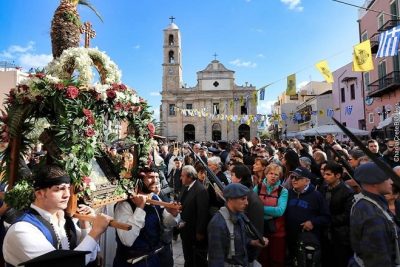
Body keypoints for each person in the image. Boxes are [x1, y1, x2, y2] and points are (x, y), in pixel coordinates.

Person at [3, 165, 111, 267]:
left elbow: (89, 256)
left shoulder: (62, 219)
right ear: (39, 193)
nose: (67, 194)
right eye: (59, 189)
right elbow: (66, 264)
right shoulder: (22, 230)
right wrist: (96, 232)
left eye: (68, 188)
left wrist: (85, 225)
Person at [113, 167, 180, 267]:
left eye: (157, 177)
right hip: (131, 262)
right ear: (138, 180)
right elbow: (127, 240)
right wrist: (140, 207)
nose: (155, 181)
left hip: (153, 260)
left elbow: (167, 224)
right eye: (150, 177)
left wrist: (173, 214)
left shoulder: (155, 197)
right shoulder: (124, 205)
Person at [349, 162, 400, 267]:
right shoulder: (372, 215)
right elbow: (378, 259)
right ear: (374, 183)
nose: (391, 182)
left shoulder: (370, 202)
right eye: (387, 178)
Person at [208, 183, 268, 267]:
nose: (247, 203)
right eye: (243, 199)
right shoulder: (218, 224)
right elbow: (216, 259)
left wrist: (253, 242)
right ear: (230, 199)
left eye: (246, 199)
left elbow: (238, 238)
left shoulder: (239, 215)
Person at [285, 166, 330, 266]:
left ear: (307, 181)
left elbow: (326, 217)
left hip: (308, 240)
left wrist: (313, 222)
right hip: (290, 238)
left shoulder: (316, 195)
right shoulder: (288, 193)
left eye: (297, 178)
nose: (293, 180)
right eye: (292, 177)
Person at [320, 161, 354, 267]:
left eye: (328, 174)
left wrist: (329, 220)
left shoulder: (347, 192)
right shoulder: (323, 188)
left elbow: (348, 215)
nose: (325, 177)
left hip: (340, 237)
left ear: (338, 175)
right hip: (325, 234)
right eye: (324, 174)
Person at [255, 163, 288, 267]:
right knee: (261, 258)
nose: (273, 176)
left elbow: (279, 211)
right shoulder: (258, 187)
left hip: (277, 231)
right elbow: (251, 205)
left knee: (276, 259)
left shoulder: (283, 191)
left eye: (276, 174)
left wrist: (260, 209)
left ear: (280, 176)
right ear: (266, 174)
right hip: (260, 228)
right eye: (271, 173)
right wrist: (269, 210)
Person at [178, 165, 210, 267]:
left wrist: (200, 232)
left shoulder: (200, 190)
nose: (181, 178)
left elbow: (203, 212)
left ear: (190, 177)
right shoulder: (185, 186)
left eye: (183, 176)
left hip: (194, 232)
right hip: (185, 230)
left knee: (197, 259)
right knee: (188, 257)